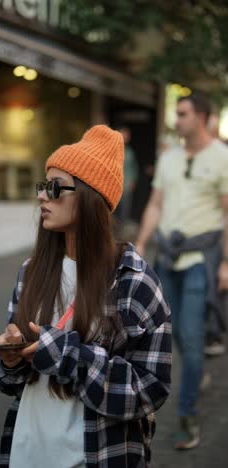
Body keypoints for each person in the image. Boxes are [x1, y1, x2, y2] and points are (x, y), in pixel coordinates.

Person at [0, 125, 171, 468]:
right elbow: (11, 384)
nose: (42, 196)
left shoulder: (134, 280)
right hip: (27, 451)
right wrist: (10, 360)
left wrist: (63, 353)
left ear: (90, 196)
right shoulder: (32, 271)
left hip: (95, 454)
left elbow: (149, 390)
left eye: (54, 188)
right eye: (43, 186)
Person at [135, 92, 228, 450]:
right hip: (166, 257)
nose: (178, 120)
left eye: (184, 114)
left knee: (189, 336)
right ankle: (195, 370)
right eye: (178, 113)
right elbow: (155, 204)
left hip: (197, 262)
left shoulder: (221, 158)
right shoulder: (169, 157)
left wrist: (224, 263)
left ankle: (188, 418)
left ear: (202, 117)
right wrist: (142, 243)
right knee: (164, 333)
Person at [116, 126, 138, 223]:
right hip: (114, 184)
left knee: (125, 207)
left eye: (127, 135)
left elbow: (134, 167)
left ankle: (123, 226)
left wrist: (133, 180)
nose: (126, 137)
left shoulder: (130, 151)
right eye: (124, 134)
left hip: (126, 184)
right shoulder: (113, 150)